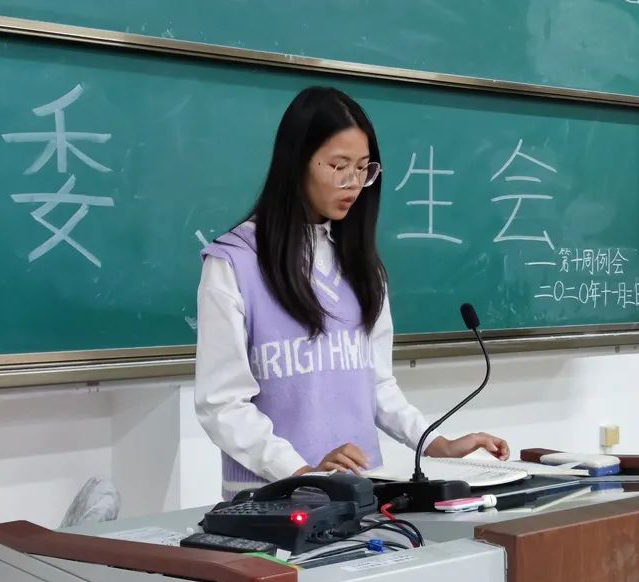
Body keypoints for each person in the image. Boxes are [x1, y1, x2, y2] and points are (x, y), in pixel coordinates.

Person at [195, 86, 509, 499]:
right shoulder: (234, 262)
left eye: (363, 168)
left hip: (359, 495)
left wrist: (437, 444)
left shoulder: (362, 266)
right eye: (338, 166)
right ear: (296, 162)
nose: (354, 183)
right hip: (270, 500)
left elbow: (376, 385)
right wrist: (301, 472)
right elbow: (222, 405)